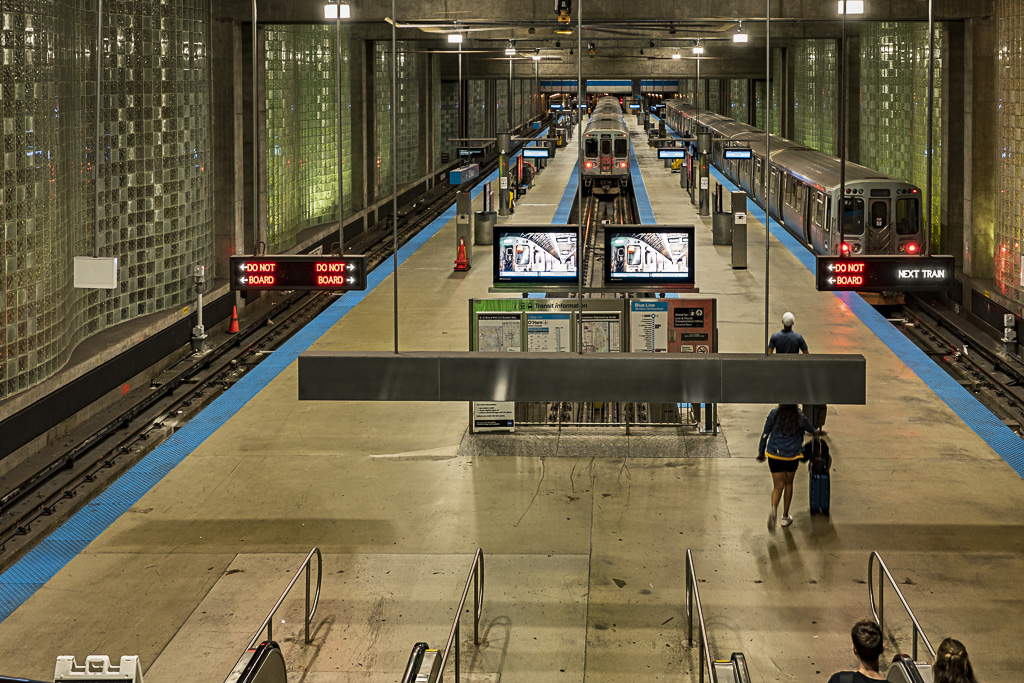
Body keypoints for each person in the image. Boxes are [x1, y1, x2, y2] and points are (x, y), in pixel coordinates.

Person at [757, 404, 814, 530]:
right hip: (791, 456)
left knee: (778, 486)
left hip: (774, 455)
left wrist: (761, 452)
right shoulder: (800, 416)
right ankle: (785, 517)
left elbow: (765, 434)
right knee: (788, 484)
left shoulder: (774, 413)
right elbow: (811, 430)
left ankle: (773, 509)